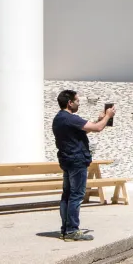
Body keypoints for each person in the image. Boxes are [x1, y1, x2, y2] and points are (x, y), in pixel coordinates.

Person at [51, 89, 115, 242]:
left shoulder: (58, 119)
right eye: (77, 101)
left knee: (67, 195)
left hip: (67, 160)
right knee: (76, 195)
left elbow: (83, 131)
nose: (79, 103)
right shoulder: (70, 118)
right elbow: (98, 128)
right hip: (77, 161)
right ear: (70, 103)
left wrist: (99, 119)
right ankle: (72, 230)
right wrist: (108, 116)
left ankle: (65, 230)